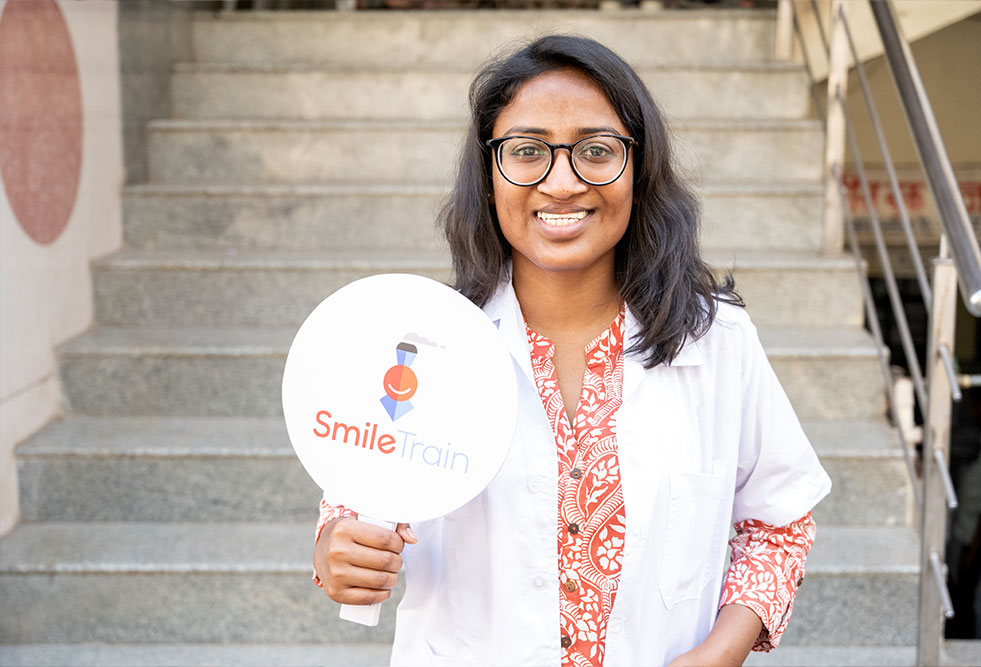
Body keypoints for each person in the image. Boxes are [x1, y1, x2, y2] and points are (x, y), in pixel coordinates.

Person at [313, 35, 831, 666]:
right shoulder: (427, 344)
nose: (561, 183)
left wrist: (719, 653)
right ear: (489, 173)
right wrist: (338, 553)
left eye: (595, 150)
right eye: (527, 151)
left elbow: (776, 527)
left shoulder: (717, 342)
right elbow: (353, 507)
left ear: (638, 170)